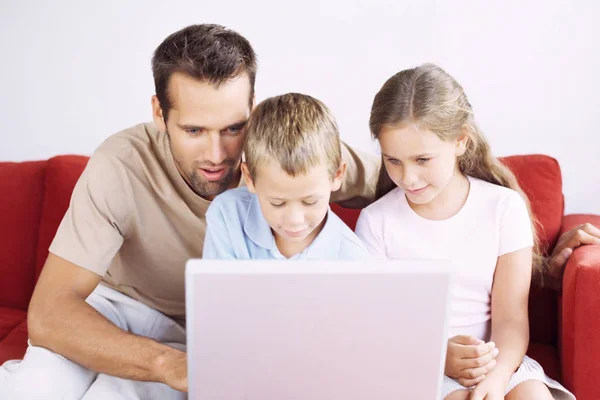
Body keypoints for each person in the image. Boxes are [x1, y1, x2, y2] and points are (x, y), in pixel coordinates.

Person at [0, 23, 596, 400]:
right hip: (124, 316)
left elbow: (415, 177)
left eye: (235, 127)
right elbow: (51, 314)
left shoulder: (301, 161)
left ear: (254, 109)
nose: (220, 154)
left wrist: (548, 250)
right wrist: (167, 365)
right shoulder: (118, 165)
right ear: (159, 112)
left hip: (212, 333)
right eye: (194, 129)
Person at [355, 63, 575, 400]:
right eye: (393, 161)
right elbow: (381, 326)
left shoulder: (503, 208)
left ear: (460, 140)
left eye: (422, 160)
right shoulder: (376, 223)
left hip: (501, 362)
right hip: (422, 365)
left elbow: (511, 320)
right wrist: (437, 356)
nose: (408, 178)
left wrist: (498, 377)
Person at [203, 93, 369, 260]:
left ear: (337, 175)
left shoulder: (353, 257)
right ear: (249, 178)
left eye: (309, 201)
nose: (294, 220)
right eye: (277, 203)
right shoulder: (227, 214)